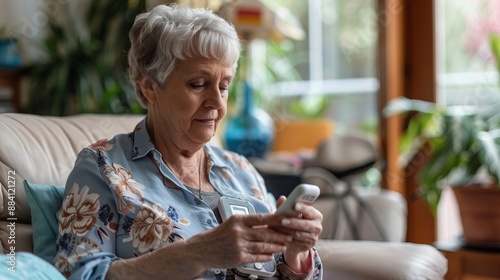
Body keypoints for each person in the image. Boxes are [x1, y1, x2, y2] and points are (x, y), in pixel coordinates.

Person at [54, 4, 323, 280]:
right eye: (198, 84)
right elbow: (78, 273)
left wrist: (296, 253)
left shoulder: (242, 170)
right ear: (150, 86)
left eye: (224, 85)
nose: (217, 103)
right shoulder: (103, 167)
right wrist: (197, 253)